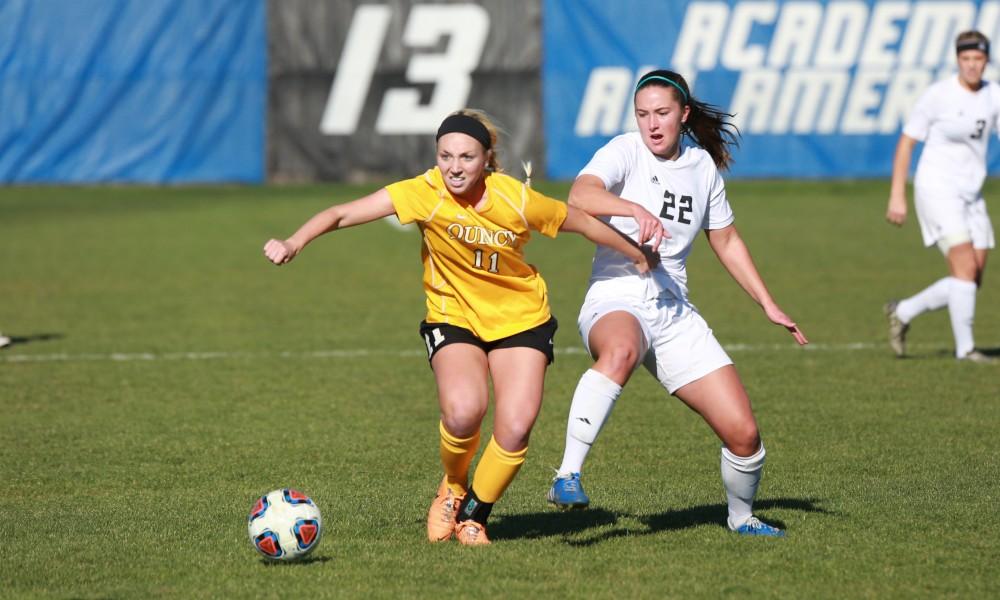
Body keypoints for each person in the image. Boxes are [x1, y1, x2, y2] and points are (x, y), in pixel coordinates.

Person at [263, 109, 655, 546]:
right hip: (454, 317)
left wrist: (637, 253)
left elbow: (579, 222)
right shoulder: (424, 191)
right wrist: (294, 241)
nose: (454, 167)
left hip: (520, 318)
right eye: (445, 155)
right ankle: (452, 486)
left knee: (516, 425)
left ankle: (474, 517)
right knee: (465, 410)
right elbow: (341, 213)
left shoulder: (516, 199)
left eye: (466, 157)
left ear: (487, 158)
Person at [544, 70, 808, 537]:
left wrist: (768, 304)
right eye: (643, 114)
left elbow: (725, 241)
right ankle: (567, 474)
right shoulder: (624, 150)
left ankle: (742, 518)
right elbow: (580, 195)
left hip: (672, 309)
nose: (652, 123)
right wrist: (634, 210)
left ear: (683, 114)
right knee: (621, 350)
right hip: (616, 293)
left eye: (662, 113)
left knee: (744, 436)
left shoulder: (702, 166)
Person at [885, 30, 997, 363]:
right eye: (966, 59)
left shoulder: (994, 95)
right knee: (963, 267)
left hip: (971, 193)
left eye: (978, 59)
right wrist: (897, 195)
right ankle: (967, 350)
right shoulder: (939, 95)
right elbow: (907, 143)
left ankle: (903, 311)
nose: (972, 66)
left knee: (971, 279)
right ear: (957, 60)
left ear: (986, 60)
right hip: (937, 188)